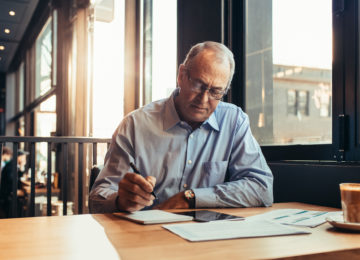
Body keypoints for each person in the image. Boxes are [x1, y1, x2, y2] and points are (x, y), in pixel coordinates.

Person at [89, 41, 273, 213]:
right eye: (198, 85)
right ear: (181, 75)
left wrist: (191, 198)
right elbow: (97, 198)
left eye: (216, 91)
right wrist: (121, 200)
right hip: (146, 237)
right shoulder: (135, 125)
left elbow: (261, 188)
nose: (203, 99)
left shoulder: (234, 121)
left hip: (206, 237)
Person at [0, 149, 29, 217]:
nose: (25, 159)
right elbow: (12, 180)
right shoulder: (11, 165)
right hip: (7, 195)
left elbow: (16, 177)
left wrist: (21, 168)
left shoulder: (13, 164)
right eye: (23, 157)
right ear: (19, 157)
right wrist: (15, 191)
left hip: (8, 193)